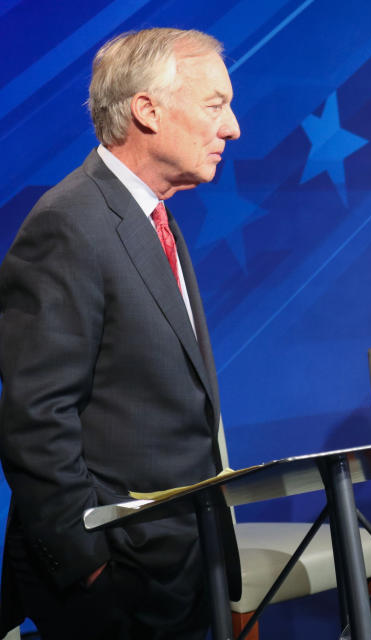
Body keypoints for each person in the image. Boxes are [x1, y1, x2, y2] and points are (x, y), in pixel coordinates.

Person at [0, 28, 241, 640]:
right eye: (216, 104)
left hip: (181, 559)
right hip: (115, 578)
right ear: (147, 110)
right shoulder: (68, 224)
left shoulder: (153, 215)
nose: (233, 127)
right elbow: (36, 418)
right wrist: (87, 567)